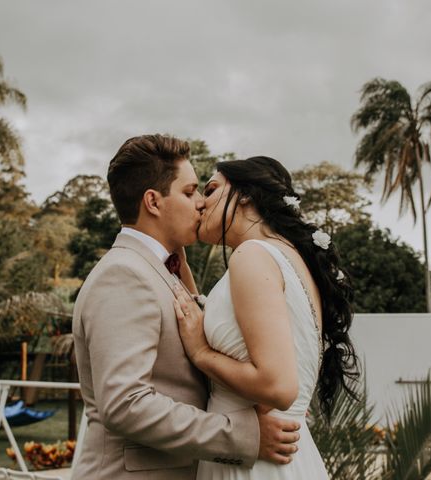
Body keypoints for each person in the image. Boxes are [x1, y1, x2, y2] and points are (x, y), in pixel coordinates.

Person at [72, 136, 302, 480]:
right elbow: (125, 404)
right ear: (153, 201)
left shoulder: (164, 270)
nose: (200, 203)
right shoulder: (123, 275)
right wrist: (244, 436)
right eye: (190, 191)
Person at [173, 156, 359, 479]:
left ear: (245, 194)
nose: (201, 203)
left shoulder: (252, 255)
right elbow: (239, 333)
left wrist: (201, 353)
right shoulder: (289, 259)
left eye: (211, 189)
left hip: (255, 463)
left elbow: (278, 386)